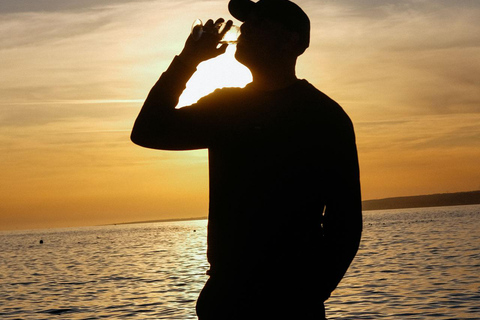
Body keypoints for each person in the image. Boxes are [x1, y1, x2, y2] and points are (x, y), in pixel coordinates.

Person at [131, 0, 362, 319]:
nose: (245, 29)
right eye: (247, 22)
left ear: (292, 40)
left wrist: (308, 293)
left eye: (260, 23)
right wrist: (187, 61)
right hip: (226, 298)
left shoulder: (324, 118)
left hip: (290, 302)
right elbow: (148, 131)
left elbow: (345, 224)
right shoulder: (226, 107)